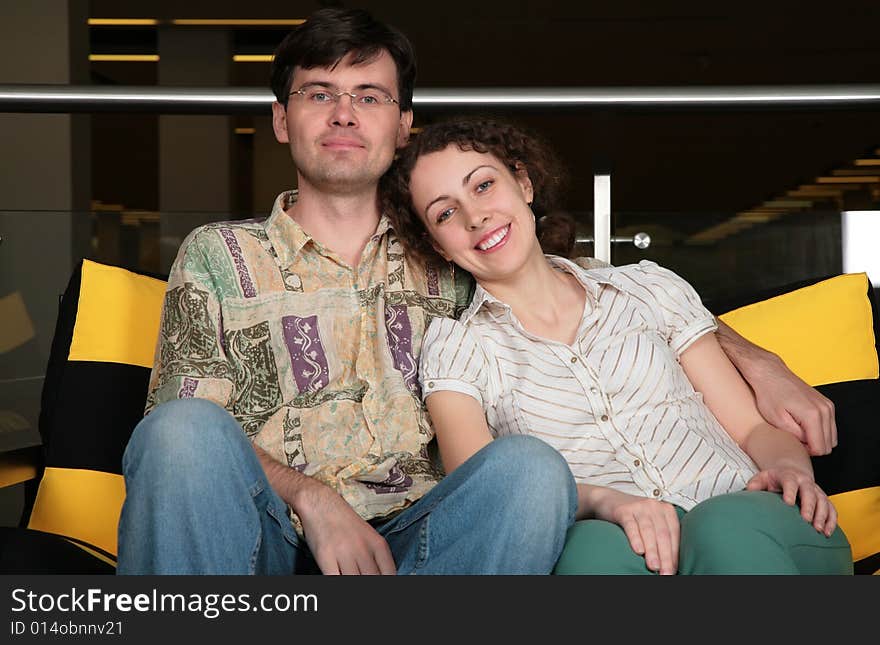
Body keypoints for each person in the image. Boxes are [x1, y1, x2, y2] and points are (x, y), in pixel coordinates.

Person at [117, 8, 577, 575]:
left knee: (531, 469)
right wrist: (314, 499)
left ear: (404, 124)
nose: (343, 115)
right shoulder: (218, 254)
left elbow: (576, 287)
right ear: (282, 120)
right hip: (264, 537)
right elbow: (184, 432)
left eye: (368, 97)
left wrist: (716, 336)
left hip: (422, 540)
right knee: (179, 429)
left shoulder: (449, 243)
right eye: (318, 94)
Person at [385, 117, 853, 574]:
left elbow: (751, 430)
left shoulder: (647, 289)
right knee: (588, 556)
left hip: (744, 513)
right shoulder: (456, 344)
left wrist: (791, 470)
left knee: (721, 527)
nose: (474, 216)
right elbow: (488, 495)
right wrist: (607, 503)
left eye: (483, 185)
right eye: (445, 213)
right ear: (438, 246)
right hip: (617, 542)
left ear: (523, 183)